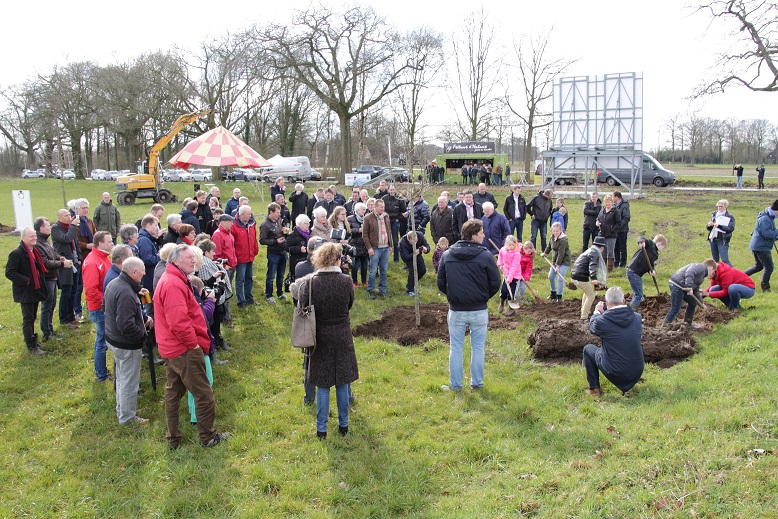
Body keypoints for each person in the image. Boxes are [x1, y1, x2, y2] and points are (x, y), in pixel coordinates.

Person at [154, 244, 231, 449]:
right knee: (204, 394)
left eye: (193, 258)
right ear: (175, 260)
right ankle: (208, 437)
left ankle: (173, 439)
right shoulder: (172, 284)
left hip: (171, 347)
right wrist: (194, 346)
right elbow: (178, 322)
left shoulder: (175, 279)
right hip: (183, 349)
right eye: (188, 258)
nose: (193, 261)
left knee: (173, 393)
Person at [299, 243, 359, 438]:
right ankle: (344, 425)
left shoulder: (310, 282)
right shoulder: (346, 281)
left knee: (322, 385)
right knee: (342, 382)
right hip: (342, 334)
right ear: (336, 260)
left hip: (319, 336)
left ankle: (321, 429)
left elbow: (302, 306)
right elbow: (349, 304)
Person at [437, 219, 501, 391]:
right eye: (481, 233)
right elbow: (495, 282)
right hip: (477, 310)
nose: (484, 235)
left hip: (458, 309)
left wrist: (454, 296)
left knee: (456, 347)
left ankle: (456, 385)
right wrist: (482, 297)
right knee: (477, 347)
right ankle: (476, 383)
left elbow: (441, 282)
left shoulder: (448, 254)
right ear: (474, 236)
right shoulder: (485, 255)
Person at [104, 257, 152, 425]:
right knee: (129, 382)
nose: (145, 273)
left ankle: (121, 411)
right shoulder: (125, 293)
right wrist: (142, 334)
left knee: (122, 378)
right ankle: (127, 418)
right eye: (142, 270)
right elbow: (125, 325)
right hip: (126, 344)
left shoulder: (115, 283)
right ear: (133, 272)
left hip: (113, 339)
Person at [583, 286, 644, 397]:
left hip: (616, 372)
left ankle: (594, 390)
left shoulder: (603, 320)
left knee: (588, 349)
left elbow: (592, 327)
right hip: (637, 370)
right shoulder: (637, 317)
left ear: (607, 303)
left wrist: (597, 312)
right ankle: (630, 383)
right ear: (624, 301)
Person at [6, 228, 49, 355]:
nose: (34, 238)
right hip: (25, 292)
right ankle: (31, 345)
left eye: (35, 236)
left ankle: (33, 339)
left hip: (34, 290)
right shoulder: (17, 253)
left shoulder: (33, 251)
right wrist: (26, 280)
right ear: (23, 238)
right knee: (28, 318)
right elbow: (9, 272)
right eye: (31, 237)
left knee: (33, 316)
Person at [82, 231, 114, 382]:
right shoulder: (94, 262)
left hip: (104, 306)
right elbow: (91, 289)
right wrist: (107, 303)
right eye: (109, 242)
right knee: (102, 341)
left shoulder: (104, 257)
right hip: (99, 308)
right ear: (100, 243)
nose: (112, 243)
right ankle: (101, 374)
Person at [34, 217, 72, 342]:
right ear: (41, 228)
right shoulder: (38, 244)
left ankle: (50, 329)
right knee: (47, 306)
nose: (50, 227)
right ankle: (46, 333)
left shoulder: (45, 240)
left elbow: (53, 253)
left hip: (53, 277)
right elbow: (45, 262)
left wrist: (60, 258)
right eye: (47, 225)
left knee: (52, 305)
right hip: (47, 278)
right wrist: (61, 264)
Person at [662, 259, 717, 329]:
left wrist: (701, 302)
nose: (713, 273)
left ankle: (688, 323)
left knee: (693, 302)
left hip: (682, 287)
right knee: (676, 308)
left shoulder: (702, 275)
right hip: (677, 285)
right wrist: (689, 286)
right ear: (711, 268)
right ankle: (665, 326)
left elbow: (696, 288)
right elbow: (690, 272)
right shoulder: (701, 267)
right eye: (713, 271)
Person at [51, 209, 82, 329]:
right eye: (66, 215)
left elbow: (76, 243)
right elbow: (66, 238)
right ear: (59, 217)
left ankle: (71, 317)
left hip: (74, 263)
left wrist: (79, 258)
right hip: (64, 264)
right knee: (66, 292)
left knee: (74, 290)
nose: (69, 217)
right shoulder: (56, 229)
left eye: (69, 215)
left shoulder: (70, 227)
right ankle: (64, 319)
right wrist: (73, 226)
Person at [626, 234, 668, 310]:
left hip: (637, 273)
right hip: (633, 271)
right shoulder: (649, 244)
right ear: (660, 244)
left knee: (639, 294)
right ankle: (631, 313)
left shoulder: (655, 254)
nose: (662, 249)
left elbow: (650, 264)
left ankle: (632, 311)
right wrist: (641, 242)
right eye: (663, 247)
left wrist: (652, 270)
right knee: (638, 295)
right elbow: (640, 237)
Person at [744, 199, 778, 292]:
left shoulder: (769, 217)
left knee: (759, 266)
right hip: (761, 247)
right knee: (769, 267)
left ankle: (740, 277)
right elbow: (767, 234)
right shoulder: (765, 219)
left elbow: (770, 234)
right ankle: (765, 287)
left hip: (758, 245)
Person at [570, 236, 607, 320]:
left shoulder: (590, 250)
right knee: (591, 296)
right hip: (580, 276)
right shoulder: (595, 253)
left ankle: (584, 310)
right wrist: (593, 278)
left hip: (576, 275)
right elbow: (592, 265)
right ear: (602, 247)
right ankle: (584, 317)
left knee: (588, 292)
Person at [363, 198, 393, 299]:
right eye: (381, 207)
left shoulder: (386, 216)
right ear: (375, 207)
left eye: (383, 207)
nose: (383, 208)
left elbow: (389, 231)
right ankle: (371, 289)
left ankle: (382, 290)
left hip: (385, 247)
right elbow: (365, 235)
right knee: (373, 270)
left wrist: (390, 245)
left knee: (384, 270)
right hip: (375, 248)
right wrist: (369, 248)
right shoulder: (368, 218)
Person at [259, 202, 288, 304]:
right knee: (271, 275)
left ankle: (280, 293)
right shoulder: (265, 225)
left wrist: (285, 232)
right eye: (277, 212)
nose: (279, 214)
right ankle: (269, 295)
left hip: (283, 252)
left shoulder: (279, 220)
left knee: (281, 274)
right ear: (271, 212)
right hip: (273, 253)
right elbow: (262, 240)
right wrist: (275, 241)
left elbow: (282, 231)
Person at [231, 205, 259, 306]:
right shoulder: (234, 226)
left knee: (249, 278)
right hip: (240, 257)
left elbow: (254, 238)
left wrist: (255, 250)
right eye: (248, 214)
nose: (250, 216)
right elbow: (232, 244)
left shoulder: (252, 224)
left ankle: (249, 298)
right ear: (241, 215)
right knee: (240, 279)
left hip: (250, 256)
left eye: (250, 213)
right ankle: (241, 301)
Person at [541, 222, 571, 302]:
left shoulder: (563, 240)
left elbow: (561, 253)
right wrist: (545, 253)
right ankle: (553, 293)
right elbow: (549, 246)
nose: (555, 233)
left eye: (557, 231)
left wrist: (558, 266)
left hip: (564, 260)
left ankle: (559, 296)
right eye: (553, 231)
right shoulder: (552, 237)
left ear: (561, 230)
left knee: (560, 278)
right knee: (551, 276)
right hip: (555, 260)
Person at [497, 235, 523, 315]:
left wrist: (510, 278)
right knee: (504, 291)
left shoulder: (517, 254)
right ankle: (502, 303)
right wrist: (500, 264)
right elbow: (500, 257)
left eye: (512, 245)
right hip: (506, 274)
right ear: (506, 244)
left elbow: (514, 267)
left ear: (515, 244)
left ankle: (511, 308)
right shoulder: (503, 250)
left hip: (515, 276)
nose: (511, 247)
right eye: (509, 245)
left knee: (512, 293)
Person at [399, 230, 430, 296]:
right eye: (413, 242)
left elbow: (427, 246)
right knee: (412, 270)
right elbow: (406, 257)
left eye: (416, 241)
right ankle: (410, 290)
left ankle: (411, 284)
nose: (415, 243)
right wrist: (413, 254)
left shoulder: (420, 235)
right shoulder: (402, 243)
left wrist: (426, 249)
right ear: (408, 239)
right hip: (408, 256)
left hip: (418, 253)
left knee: (422, 270)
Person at [705, 199, 735, 266]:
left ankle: (733, 274)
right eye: (718, 206)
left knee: (725, 259)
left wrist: (719, 226)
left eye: (721, 206)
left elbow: (730, 229)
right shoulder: (714, 214)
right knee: (715, 260)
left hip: (722, 240)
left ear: (725, 207)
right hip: (713, 239)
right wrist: (709, 225)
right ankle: (717, 275)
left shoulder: (729, 217)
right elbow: (709, 228)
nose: (719, 208)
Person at [382, 184, 407, 262]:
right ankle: (384, 258)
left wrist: (398, 219)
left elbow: (404, 212)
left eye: (393, 189)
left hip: (395, 222)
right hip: (385, 221)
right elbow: (381, 210)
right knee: (384, 240)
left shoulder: (400, 199)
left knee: (395, 241)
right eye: (391, 189)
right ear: (388, 190)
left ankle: (396, 258)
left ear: (395, 190)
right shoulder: (384, 198)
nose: (392, 191)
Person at [596, 194, 621, 272]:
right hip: (602, 234)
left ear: (612, 202)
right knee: (603, 252)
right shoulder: (602, 210)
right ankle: (603, 268)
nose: (607, 204)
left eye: (609, 202)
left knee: (610, 252)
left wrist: (612, 230)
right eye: (606, 202)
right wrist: (597, 222)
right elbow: (598, 218)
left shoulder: (615, 211)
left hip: (611, 235)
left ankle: (610, 269)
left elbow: (618, 223)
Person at [347, 203, 369, 288]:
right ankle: (354, 282)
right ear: (357, 210)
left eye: (364, 209)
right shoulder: (350, 218)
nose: (363, 211)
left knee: (364, 265)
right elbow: (348, 230)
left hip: (364, 245)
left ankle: (364, 281)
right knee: (355, 265)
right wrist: (358, 230)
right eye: (362, 209)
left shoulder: (366, 219)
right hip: (355, 244)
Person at [137, 216, 161, 294]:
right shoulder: (144, 240)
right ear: (148, 226)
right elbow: (147, 259)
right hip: (148, 280)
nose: (157, 228)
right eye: (155, 225)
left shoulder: (148, 239)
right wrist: (160, 256)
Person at [287, 214, 312, 284]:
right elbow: (287, 247)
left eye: (308, 223)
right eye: (306, 223)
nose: (308, 225)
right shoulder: (292, 235)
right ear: (300, 224)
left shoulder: (309, 233)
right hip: (296, 262)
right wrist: (299, 249)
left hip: (306, 261)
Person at [612, 192, 631, 268]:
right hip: (615, 230)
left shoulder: (624, 205)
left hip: (622, 230)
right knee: (615, 247)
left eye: (613, 197)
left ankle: (622, 263)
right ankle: (616, 262)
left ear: (617, 197)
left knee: (622, 247)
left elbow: (626, 217)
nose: (612, 198)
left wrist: (619, 225)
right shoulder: (614, 205)